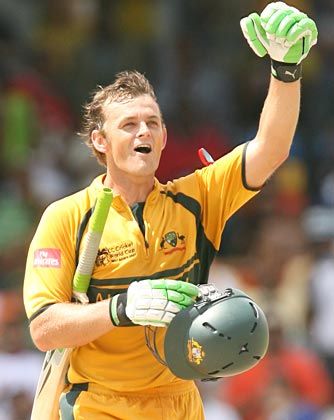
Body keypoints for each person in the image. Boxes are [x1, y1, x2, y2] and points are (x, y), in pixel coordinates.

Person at [23, 2, 318, 419]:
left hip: (180, 403)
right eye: (128, 125)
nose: (144, 131)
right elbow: (44, 328)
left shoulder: (197, 198)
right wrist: (119, 308)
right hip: (100, 404)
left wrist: (285, 72)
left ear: (163, 139)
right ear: (100, 142)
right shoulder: (67, 216)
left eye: (153, 123)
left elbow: (270, 150)